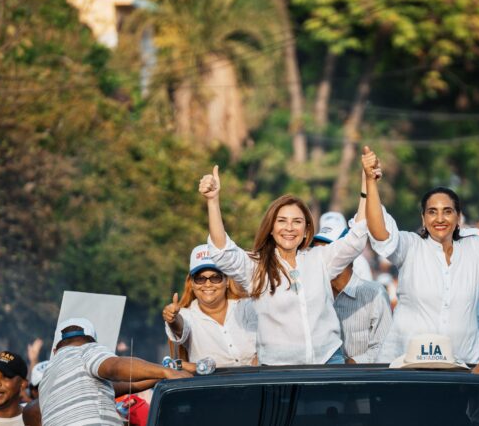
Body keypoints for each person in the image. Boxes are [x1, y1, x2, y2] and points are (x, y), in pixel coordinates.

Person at [365, 152, 479, 366]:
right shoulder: (411, 245)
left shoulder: (475, 248)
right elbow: (381, 233)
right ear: (423, 219)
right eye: (432, 212)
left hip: (462, 370)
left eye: (447, 211)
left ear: (458, 217)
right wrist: (371, 182)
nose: (440, 219)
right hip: (407, 367)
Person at [202, 152, 375, 365]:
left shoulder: (320, 258)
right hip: (278, 372)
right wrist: (213, 201)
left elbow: (357, 238)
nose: (289, 228)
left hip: (328, 362)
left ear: (306, 230)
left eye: (297, 222)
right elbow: (223, 253)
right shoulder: (257, 266)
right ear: (271, 228)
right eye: (282, 221)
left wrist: (367, 183)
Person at [38, 318, 190, 426]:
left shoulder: (46, 379)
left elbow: (127, 385)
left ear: (55, 350)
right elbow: (115, 367)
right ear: (92, 341)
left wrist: (164, 373)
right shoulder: (86, 349)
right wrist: (167, 373)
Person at [312, 210, 393, 363]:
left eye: (327, 251)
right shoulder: (312, 296)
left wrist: (350, 363)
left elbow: (385, 348)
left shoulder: (374, 294)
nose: (320, 257)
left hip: (363, 383)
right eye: (317, 252)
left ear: (348, 253)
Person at [163, 244, 257, 369]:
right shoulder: (187, 315)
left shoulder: (247, 307)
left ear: (227, 281)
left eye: (215, 278)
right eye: (200, 279)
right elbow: (180, 328)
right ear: (192, 284)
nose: (207, 284)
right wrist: (173, 319)